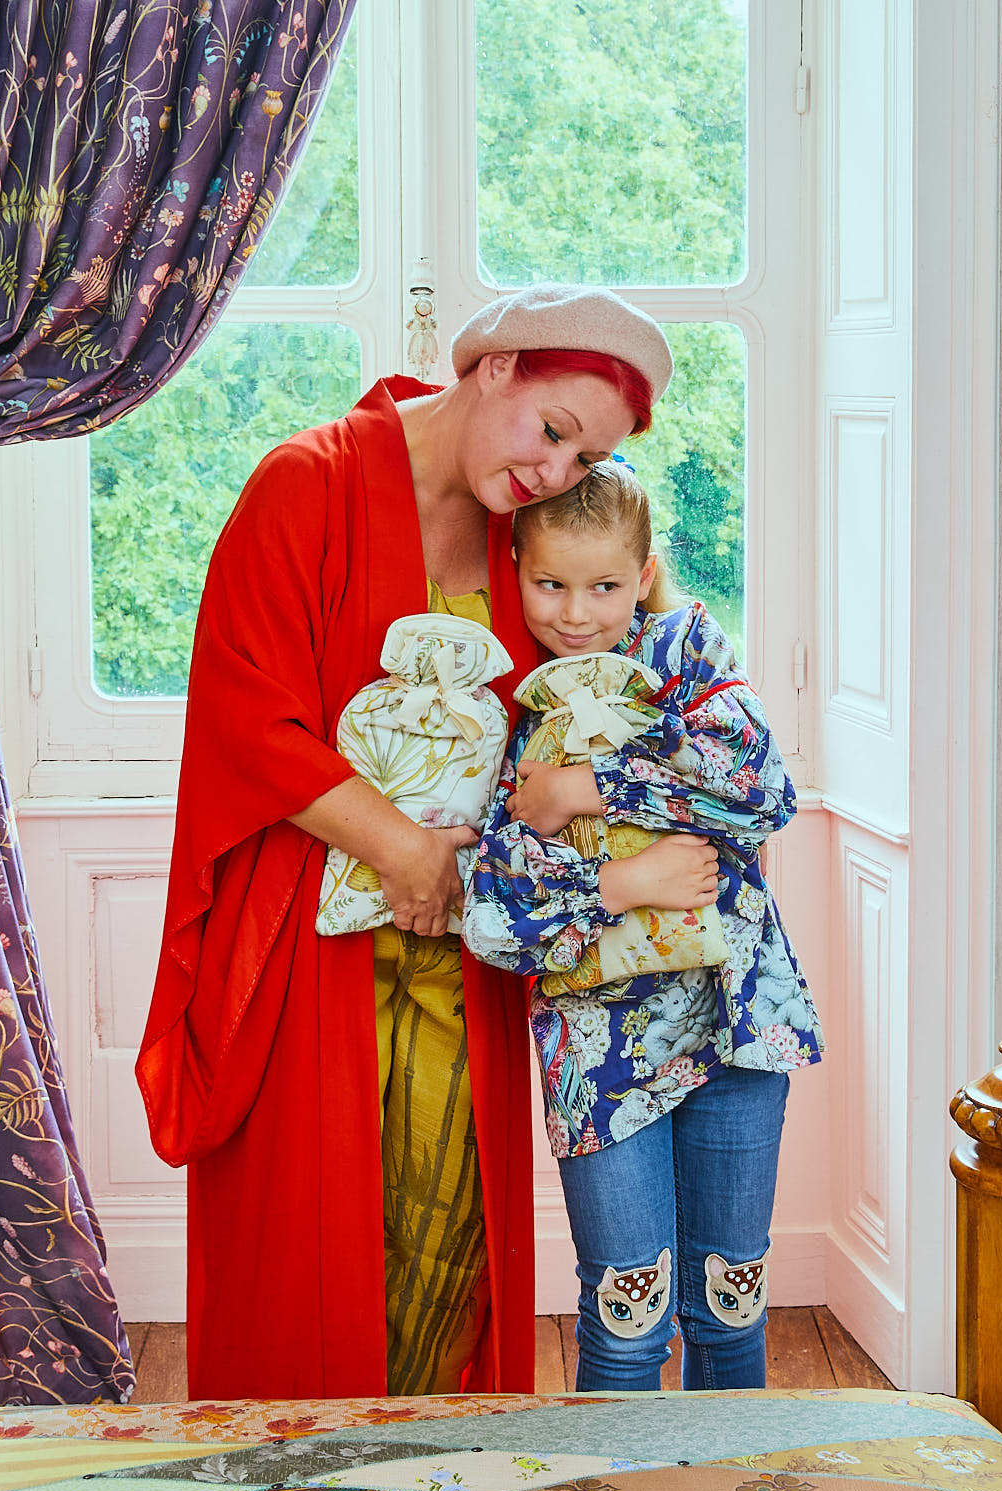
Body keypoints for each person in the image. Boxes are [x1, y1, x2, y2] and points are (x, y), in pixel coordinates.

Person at [135, 285, 674, 1400]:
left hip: (460, 951)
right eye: (553, 429)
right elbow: (247, 713)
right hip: (309, 944)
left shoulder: (517, 532)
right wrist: (404, 848)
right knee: (312, 1232)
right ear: (493, 368)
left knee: (450, 1229)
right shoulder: (309, 482)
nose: (555, 472)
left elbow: (582, 669)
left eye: (584, 460)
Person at [463, 461, 824, 1391]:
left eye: (605, 586)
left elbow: (760, 790)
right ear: (515, 566)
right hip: (603, 1052)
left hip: (738, 1029)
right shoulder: (508, 705)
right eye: (551, 584)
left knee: (730, 1305)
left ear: (644, 571)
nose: (577, 613)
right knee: (626, 1318)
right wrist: (627, 880)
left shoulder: (691, 659)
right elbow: (498, 916)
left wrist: (591, 787)